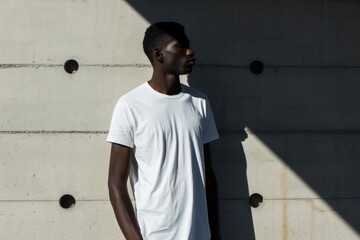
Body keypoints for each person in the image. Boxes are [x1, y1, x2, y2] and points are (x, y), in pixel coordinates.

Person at [107, 22, 221, 240]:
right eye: (180, 47)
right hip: (155, 235)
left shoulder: (199, 103)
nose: (190, 51)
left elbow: (209, 176)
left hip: (199, 235)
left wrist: (215, 234)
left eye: (188, 46)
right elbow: (115, 182)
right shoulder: (131, 105)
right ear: (159, 54)